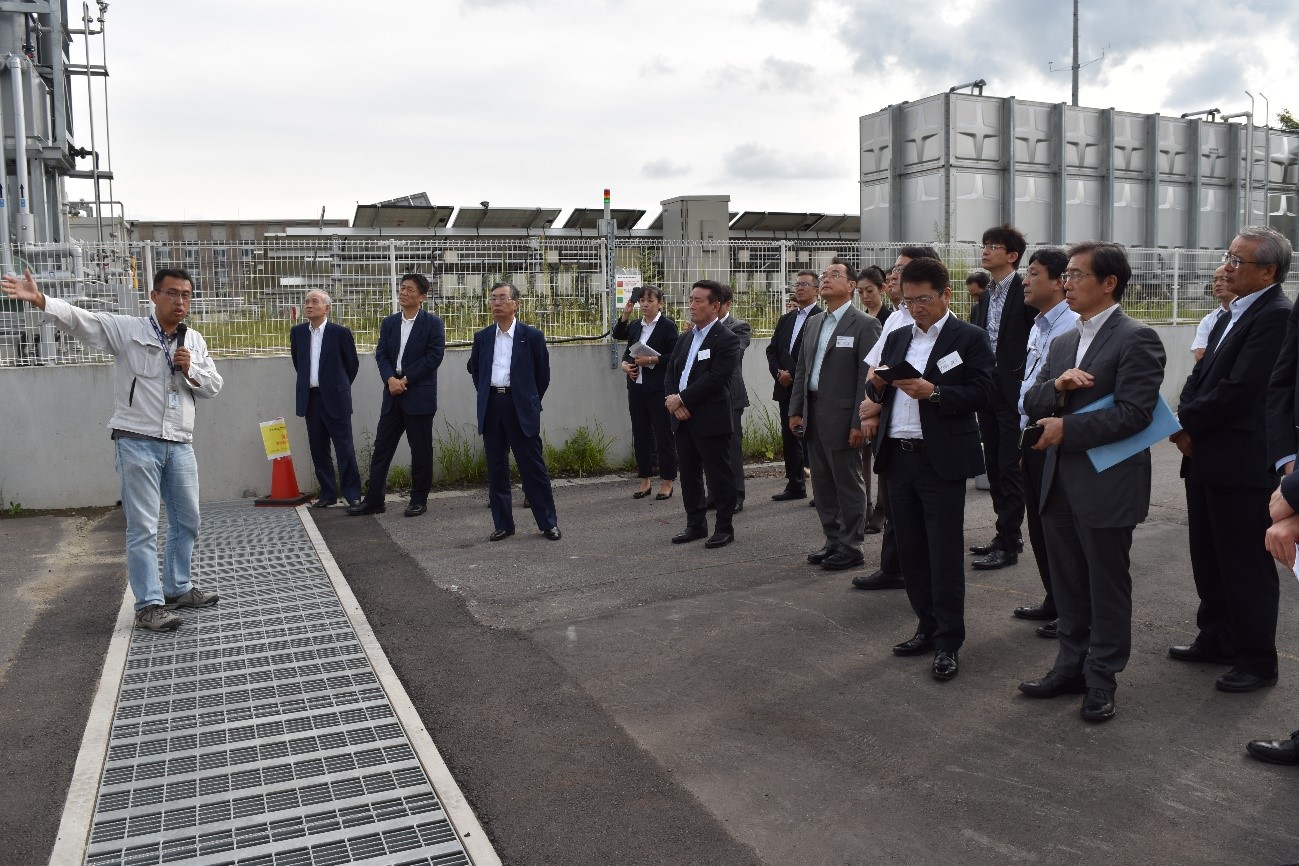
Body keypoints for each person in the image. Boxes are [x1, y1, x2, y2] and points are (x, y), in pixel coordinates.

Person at [1, 268, 223, 632]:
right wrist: (41, 300)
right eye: (172, 293)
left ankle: (177, 587)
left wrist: (191, 368)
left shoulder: (194, 340)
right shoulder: (129, 330)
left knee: (188, 521)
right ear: (154, 296)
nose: (180, 301)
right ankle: (149, 604)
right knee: (143, 527)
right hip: (136, 440)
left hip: (180, 443)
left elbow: (213, 386)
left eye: (186, 295)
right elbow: (83, 321)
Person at [1018, 241, 1166, 723]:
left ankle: (1102, 677)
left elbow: (1136, 415)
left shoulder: (1136, 338)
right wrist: (1056, 389)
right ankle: (1069, 665)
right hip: (1058, 481)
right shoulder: (1064, 340)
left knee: (1106, 583)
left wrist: (1068, 429)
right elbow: (1034, 400)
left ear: (1109, 283)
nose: (1067, 283)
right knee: (1069, 582)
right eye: (1067, 276)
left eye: (1078, 275)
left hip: (1107, 481)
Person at [1168, 228, 1291, 694]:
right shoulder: (1229, 315)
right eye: (1228, 257)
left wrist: (1185, 424)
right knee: (1208, 554)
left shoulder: (1276, 316)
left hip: (1240, 461)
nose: (1227, 266)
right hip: (1204, 456)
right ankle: (1215, 636)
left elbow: (1243, 389)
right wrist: (1183, 422)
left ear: (1269, 271)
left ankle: (1257, 659)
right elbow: (1200, 377)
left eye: (1238, 260)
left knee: (1244, 564)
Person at [864, 257, 995, 681]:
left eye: (925, 300)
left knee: (943, 552)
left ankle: (948, 642)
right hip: (897, 457)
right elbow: (875, 388)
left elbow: (983, 391)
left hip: (940, 460)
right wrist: (877, 385)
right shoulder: (898, 335)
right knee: (911, 550)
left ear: (946, 295)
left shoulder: (968, 337)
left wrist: (934, 392)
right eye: (909, 300)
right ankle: (926, 625)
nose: (916, 308)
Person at [853, 245, 941, 590]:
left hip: (920, 431)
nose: (895, 276)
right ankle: (893, 567)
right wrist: (870, 403)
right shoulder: (896, 318)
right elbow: (876, 368)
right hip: (890, 424)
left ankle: (914, 574)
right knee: (894, 505)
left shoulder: (941, 328)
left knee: (918, 514)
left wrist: (877, 405)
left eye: (903, 270)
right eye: (895, 270)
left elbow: (923, 379)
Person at [789, 259, 882, 571]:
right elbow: (802, 370)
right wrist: (796, 409)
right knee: (823, 485)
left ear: (851, 286)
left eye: (834, 275)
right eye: (824, 276)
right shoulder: (814, 323)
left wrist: (859, 421)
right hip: (814, 413)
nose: (826, 280)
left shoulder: (865, 325)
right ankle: (832, 541)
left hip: (844, 417)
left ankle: (852, 546)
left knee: (847, 483)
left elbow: (865, 378)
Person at [1011, 248, 1078, 639]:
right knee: (1038, 524)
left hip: (1056, 437)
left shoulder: (1071, 325)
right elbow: (1030, 386)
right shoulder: (1039, 325)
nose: (1025, 281)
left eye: (1033, 273)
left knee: (1059, 529)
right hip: (1032, 436)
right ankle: (1054, 598)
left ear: (1058, 281)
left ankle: (1069, 608)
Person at [467, 281, 561, 541]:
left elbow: (542, 376)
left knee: (533, 468)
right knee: (497, 469)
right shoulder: (483, 337)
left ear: (515, 304)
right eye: (493, 299)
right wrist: (491, 394)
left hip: (520, 407)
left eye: (502, 298)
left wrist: (527, 400)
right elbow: (477, 372)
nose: (496, 303)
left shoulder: (531, 336)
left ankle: (547, 523)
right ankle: (503, 524)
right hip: (492, 407)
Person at [348, 273, 445, 518]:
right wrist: (390, 379)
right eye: (402, 289)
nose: (404, 293)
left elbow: (434, 357)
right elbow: (381, 354)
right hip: (392, 392)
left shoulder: (433, 323)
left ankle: (418, 500)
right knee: (382, 447)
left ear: (422, 297)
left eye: (410, 290)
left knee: (420, 450)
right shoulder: (389, 323)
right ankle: (374, 500)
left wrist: (406, 379)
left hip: (418, 394)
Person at [968, 225, 1035, 571]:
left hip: (1015, 393)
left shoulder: (1025, 290)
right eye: (984, 244)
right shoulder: (984, 296)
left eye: (993, 246)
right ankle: (1004, 533)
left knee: (1010, 467)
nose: (985, 251)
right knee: (992, 464)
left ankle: (1009, 541)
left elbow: (1036, 337)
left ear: (1012, 255)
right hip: (987, 391)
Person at [664, 280, 743, 549]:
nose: (692, 305)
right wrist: (674, 402)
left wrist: (682, 399)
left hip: (710, 419)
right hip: (682, 418)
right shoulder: (685, 337)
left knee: (719, 475)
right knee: (689, 475)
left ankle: (724, 527)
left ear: (716, 306)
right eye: (691, 299)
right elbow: (671, 372)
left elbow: (717, 378)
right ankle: (695, 524)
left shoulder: (727, 339)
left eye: (699, 301)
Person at [290, 289, 362, 509]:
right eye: (306, 302)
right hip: (310, 399)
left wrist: (337, 387)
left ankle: (352, 494)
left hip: (335, 399)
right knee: (318, 448)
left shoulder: (339, 333)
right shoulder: (298, 333)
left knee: (344, 448)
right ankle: (328, 493)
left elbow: (352, 365)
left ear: (327, 307)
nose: (309, 305)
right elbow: (298, 363)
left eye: (314, 301)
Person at [614, 286, 679, 500]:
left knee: (663, 434)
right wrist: (625, 365)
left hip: (658, 388)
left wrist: (652, 360)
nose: (644, 304)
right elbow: (622, 341)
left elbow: (674, 357)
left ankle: (668, 480)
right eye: (642, 300)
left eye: (649, 301)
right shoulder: (636, 326)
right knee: (640, 434)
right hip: (636, 386)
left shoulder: (668, 326)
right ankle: (645, 479)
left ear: (660, 303)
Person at [767, 270, 821, 501]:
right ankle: (795, 484)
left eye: (805, 284)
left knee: (813, 440)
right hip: (784, 387)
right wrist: (779, 373)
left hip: (809, 389)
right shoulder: (786, 319)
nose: (799, 288)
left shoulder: (822, 317)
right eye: (797, 284)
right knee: (789, 437)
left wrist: (793, 374)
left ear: (817, 290)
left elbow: (816, 354)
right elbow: (772, 349)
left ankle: (821, 490)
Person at [715, 293, 751, 513]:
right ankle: (715, 493)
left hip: (731, 395)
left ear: (726, 304)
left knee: (732, 448)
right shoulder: (699, 328)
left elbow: (733, 355)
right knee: (711, 448)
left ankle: (737, 494)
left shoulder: (739, 326)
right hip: (706, 397)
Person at [1190, 266, 1235, 362]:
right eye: (1215, 280)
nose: (1218, 284)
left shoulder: (1249, 313)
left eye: (1223, 279)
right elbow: (1200, 355)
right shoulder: (1208, 320)